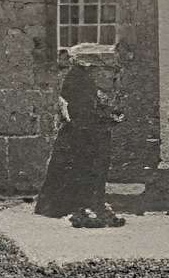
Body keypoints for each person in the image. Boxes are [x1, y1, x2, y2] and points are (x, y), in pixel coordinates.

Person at [33, 45, 125, 226]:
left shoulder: (89, 81)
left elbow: (96, 106)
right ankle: (80, 209)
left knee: (94, 171)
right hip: (79, 137)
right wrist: (104, 118)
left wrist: (108, 116)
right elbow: (79, 112)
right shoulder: (77, 80)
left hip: (92, 135)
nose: (105, 70)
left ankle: (95, 206)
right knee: (80, 171)